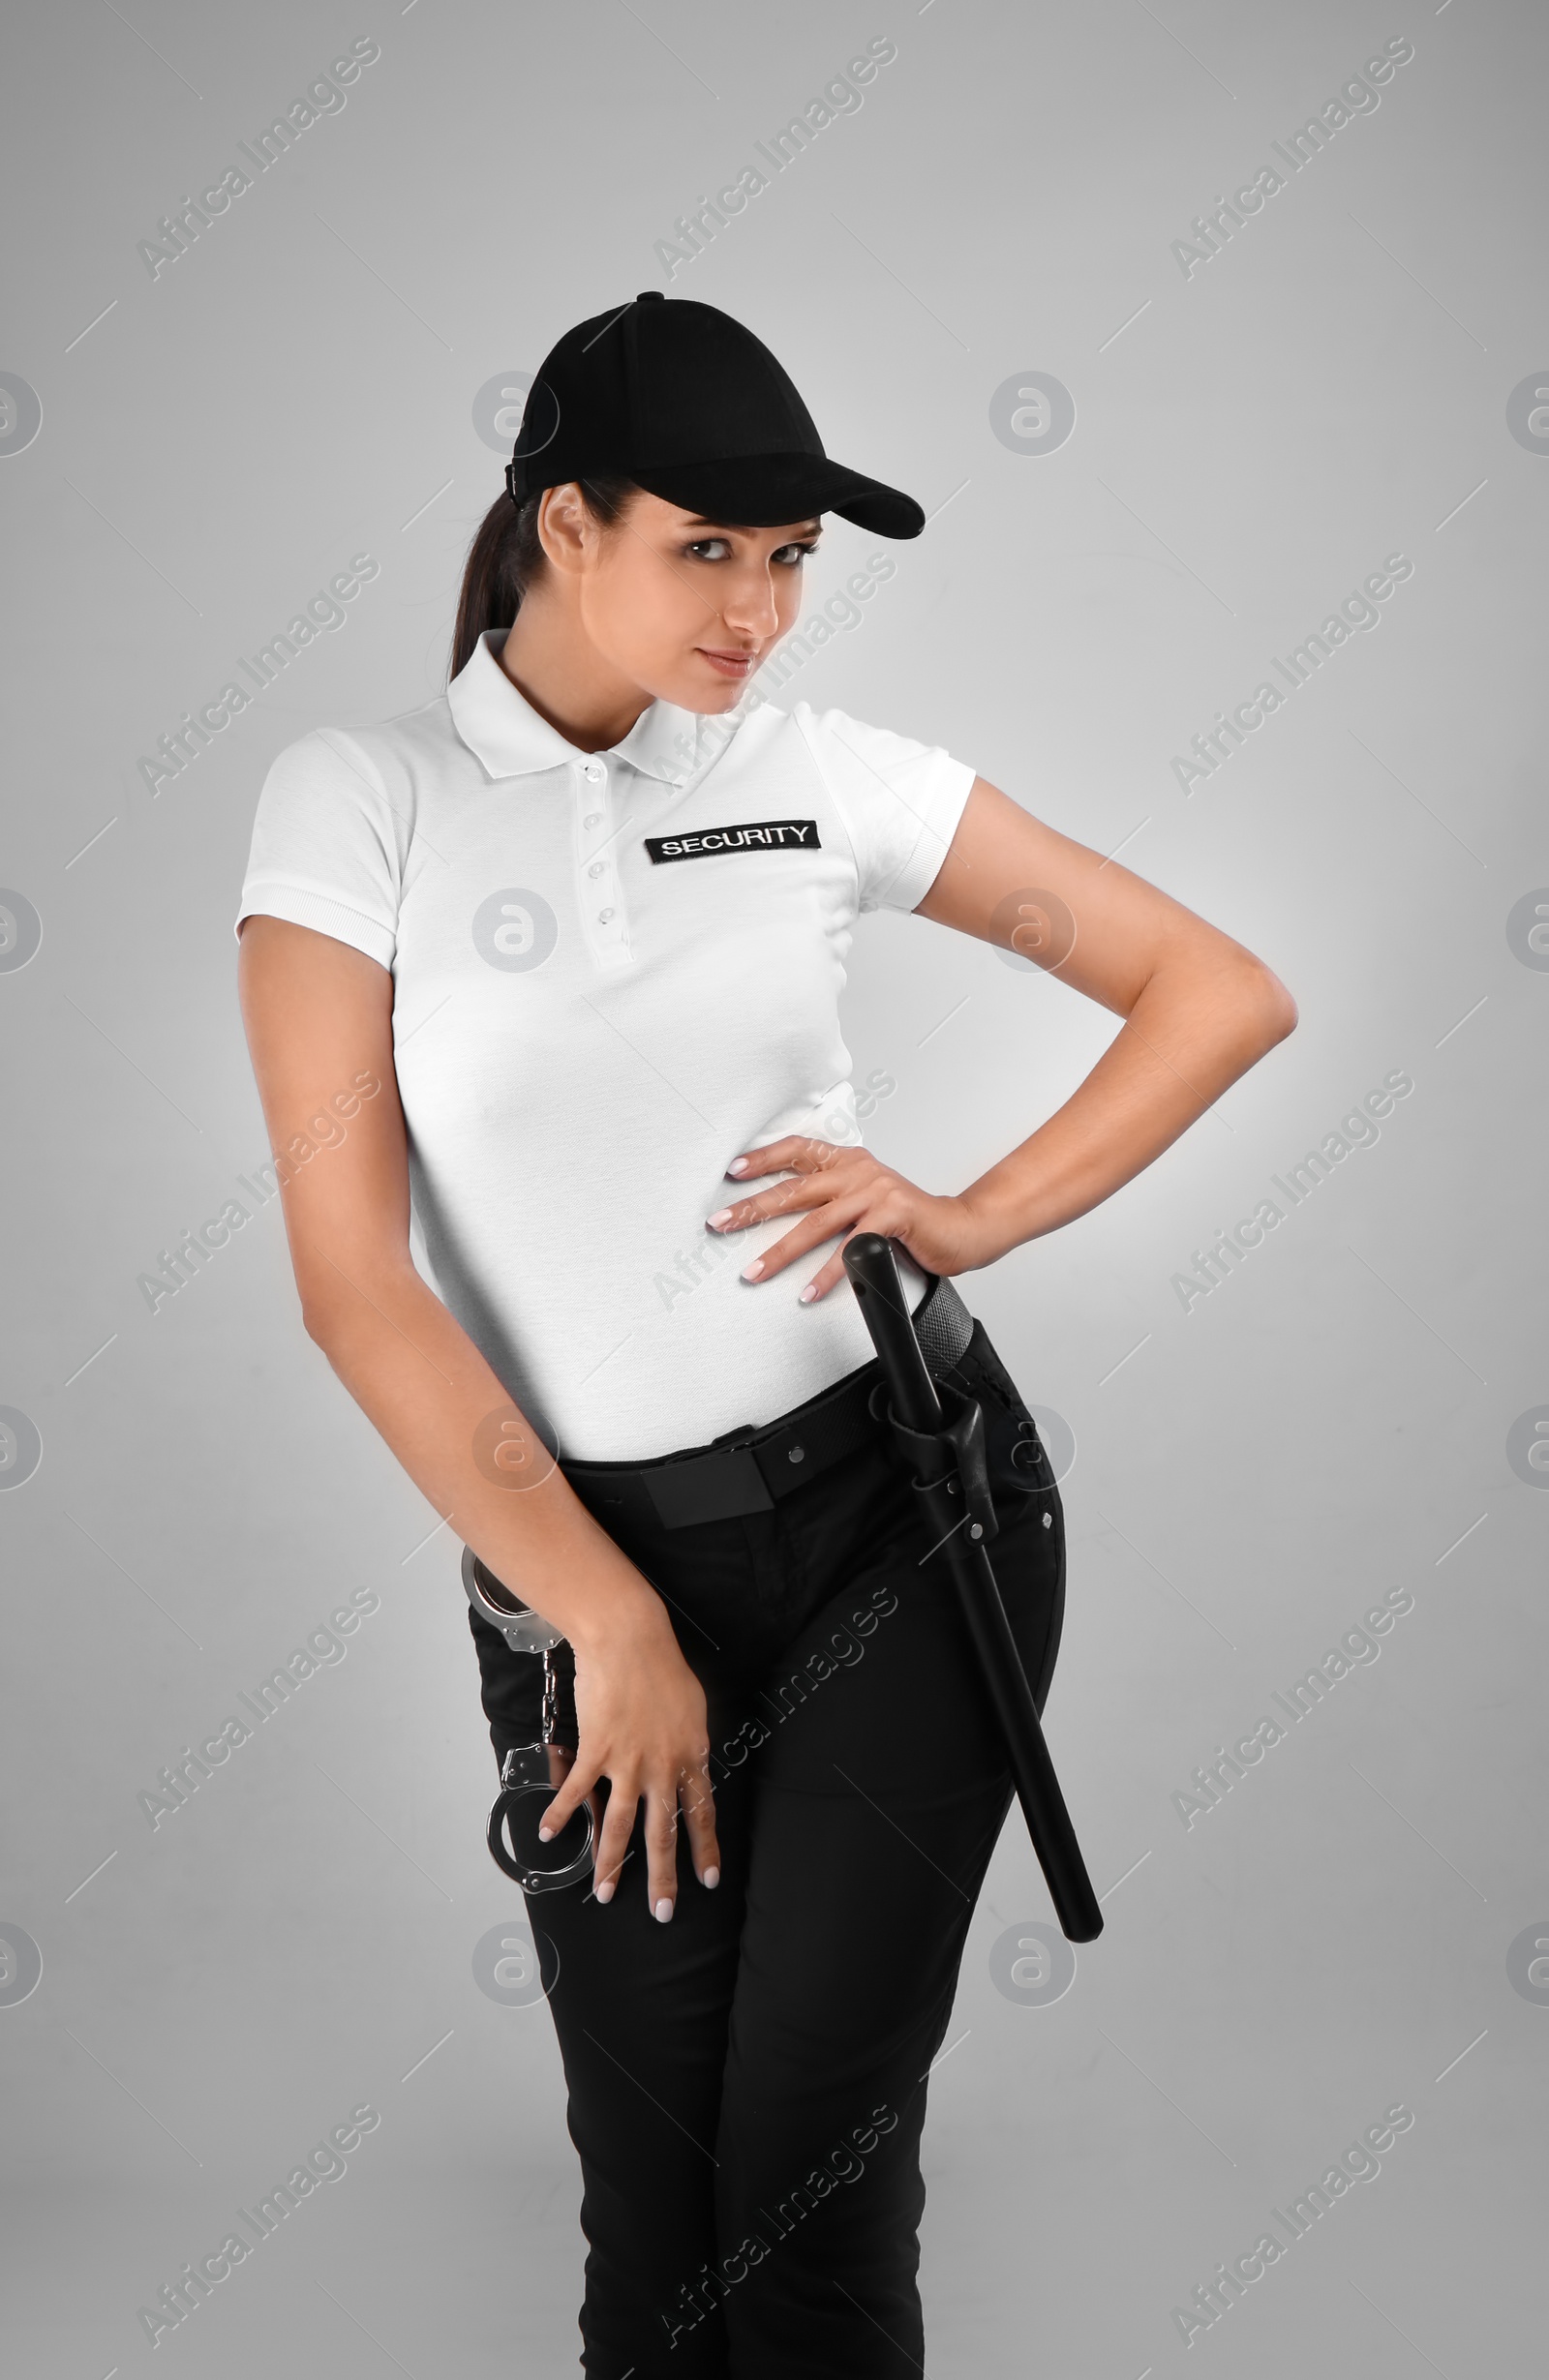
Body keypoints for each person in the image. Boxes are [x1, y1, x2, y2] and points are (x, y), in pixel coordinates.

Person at [235, 291, 1295, 2378]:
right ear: (562, 527)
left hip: (905, 1520)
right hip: (585, 1580)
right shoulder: (359, 801)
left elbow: (1214, 988)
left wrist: (969, 1210)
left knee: (804, 2179)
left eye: (791, 560)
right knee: (658, 2208)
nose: (758, 611)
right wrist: (602, 1623)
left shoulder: (817, 778)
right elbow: (354, 1282)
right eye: (704, 548)